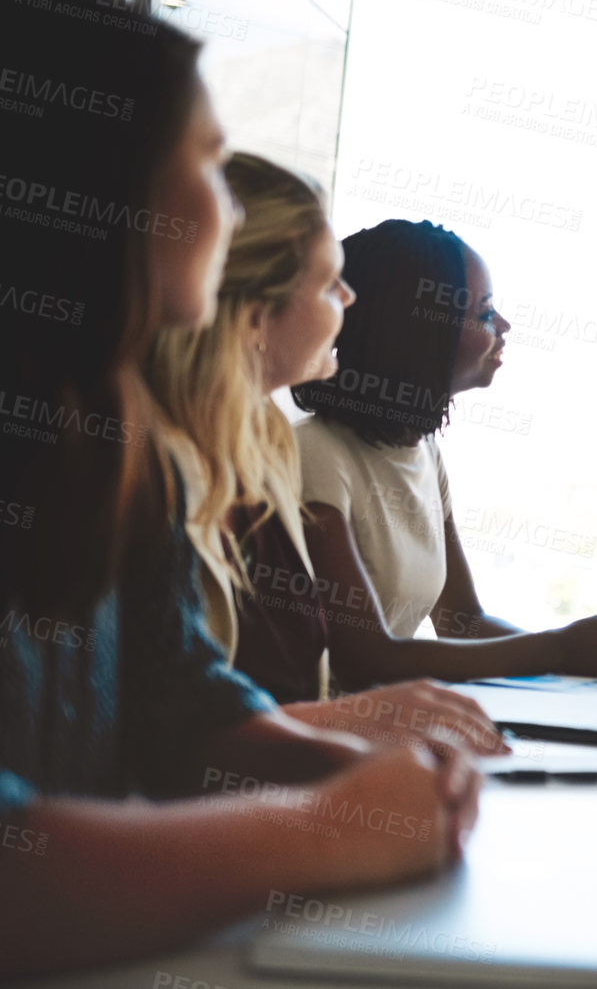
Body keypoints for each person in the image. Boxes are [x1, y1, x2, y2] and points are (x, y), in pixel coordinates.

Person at [0, 0, 477, 974]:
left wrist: (379, 779)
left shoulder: (121, 447)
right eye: (212, 162)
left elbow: (179, 701)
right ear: (104, 181)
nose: (229, 202)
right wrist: (329, 827)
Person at [143, 152, 505, 752]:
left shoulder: (262, 442)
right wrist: (360, 734)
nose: (349, 301)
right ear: (258, 315)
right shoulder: (170, 469)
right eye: (329, 283)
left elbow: (231, 697)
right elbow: (180, 719)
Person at [289, 219, 597, 688]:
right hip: (336, 737)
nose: (503, 326)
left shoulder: (424, 450)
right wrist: (562, 647)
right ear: (417, 327)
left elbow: (461, 622)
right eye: (486, 313)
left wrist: (588, 653)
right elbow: (366, 658)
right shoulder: (315, 454)